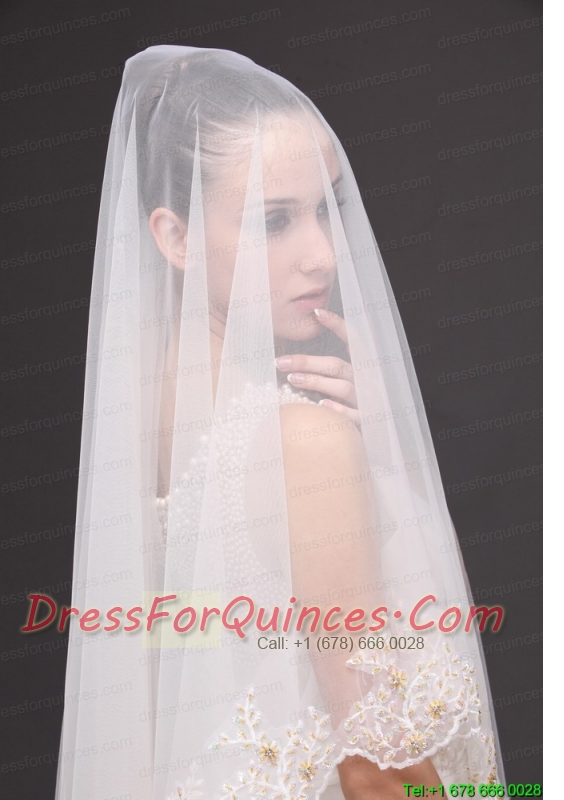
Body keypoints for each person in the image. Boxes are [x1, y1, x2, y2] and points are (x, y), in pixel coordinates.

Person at [54, 46, 505, 800]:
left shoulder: (145, 419)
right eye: (275, 220)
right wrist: (387, 458)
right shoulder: (306, 445)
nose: (322, 255)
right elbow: (378, 773)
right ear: (175, 238)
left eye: (326, 208)